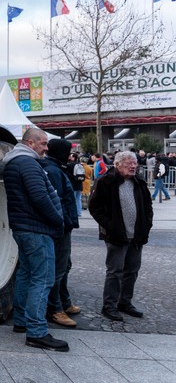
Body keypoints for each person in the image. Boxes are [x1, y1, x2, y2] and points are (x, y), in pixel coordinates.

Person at [3, 128, 67, 351]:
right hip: (37, 229)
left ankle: (21, 321)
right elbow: (40, 196)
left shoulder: (16, 162)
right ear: (30, 143)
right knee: (42, 279)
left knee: (26, 274)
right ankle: (37, 331)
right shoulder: (27, 163)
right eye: (43, 143)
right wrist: (58, 219)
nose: (46, 148)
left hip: (24, 228)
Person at [89, 150, 153, 321]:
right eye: (128, 163)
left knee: (132, 271)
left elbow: (148, 207)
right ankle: (109, 306)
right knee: (115, 271)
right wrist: (110, 227)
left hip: (136, 236)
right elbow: (94, 207)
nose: (133, 166)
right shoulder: (105, 181)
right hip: (116, 236)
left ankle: (125, 302)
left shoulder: (139, 182)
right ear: (117, 165)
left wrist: (146, 226)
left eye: (134, 163)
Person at [41, 140, 80, 328]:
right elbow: (58, 201)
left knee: (65, 266)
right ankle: (55, 308)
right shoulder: (55, 171)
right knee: (58, 269)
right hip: (61, 227)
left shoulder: (56, 168)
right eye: (68, 152)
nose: (71, 155)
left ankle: (64, 302)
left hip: (64, 225)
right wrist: (65, 222)